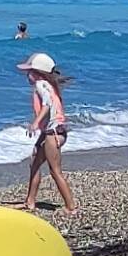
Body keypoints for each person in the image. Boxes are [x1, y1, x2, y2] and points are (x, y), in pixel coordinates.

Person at [13, 51, 76, 213]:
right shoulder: (50, 85)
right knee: (34, 163)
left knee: (55, 171)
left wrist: (35, 123)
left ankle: (70, 207)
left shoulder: (41, 85)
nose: (27, 75)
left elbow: (47, 105)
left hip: (53, 134)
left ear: (37, 72)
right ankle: (30, 202)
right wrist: (39, 139)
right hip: (54, 131)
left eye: (29, 71)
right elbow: (50, 116)